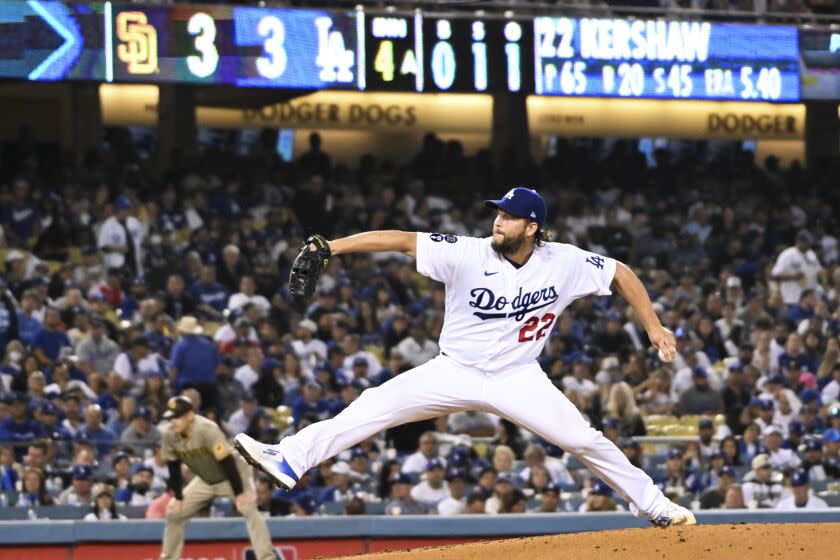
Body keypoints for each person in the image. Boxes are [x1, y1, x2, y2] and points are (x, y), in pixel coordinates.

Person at [234, 187, 695, 527]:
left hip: (518, 376)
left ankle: (653, 504)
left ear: (531, 227)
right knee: (371, 406)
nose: (498, 220)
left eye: (510, 216)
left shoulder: (563, 260)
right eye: (498, 212)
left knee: (585, 440)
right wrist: (333, 247)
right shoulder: (467, 253)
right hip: (453, 370)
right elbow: (399, 239)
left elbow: (620, 272)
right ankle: (290, 458)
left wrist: (653, 326)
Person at [158, 396, 275, 560]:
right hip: (206, 479)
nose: (173, 421)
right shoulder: (170, 434)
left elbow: (226, 462)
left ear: (190, 415)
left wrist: (240, 493)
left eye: (177, 416)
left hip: (233, 473)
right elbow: (173, 466)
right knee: (173, 511)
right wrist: (178, 496)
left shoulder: (207, 428)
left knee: (249, 508)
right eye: (171, 417)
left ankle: (267, 557)